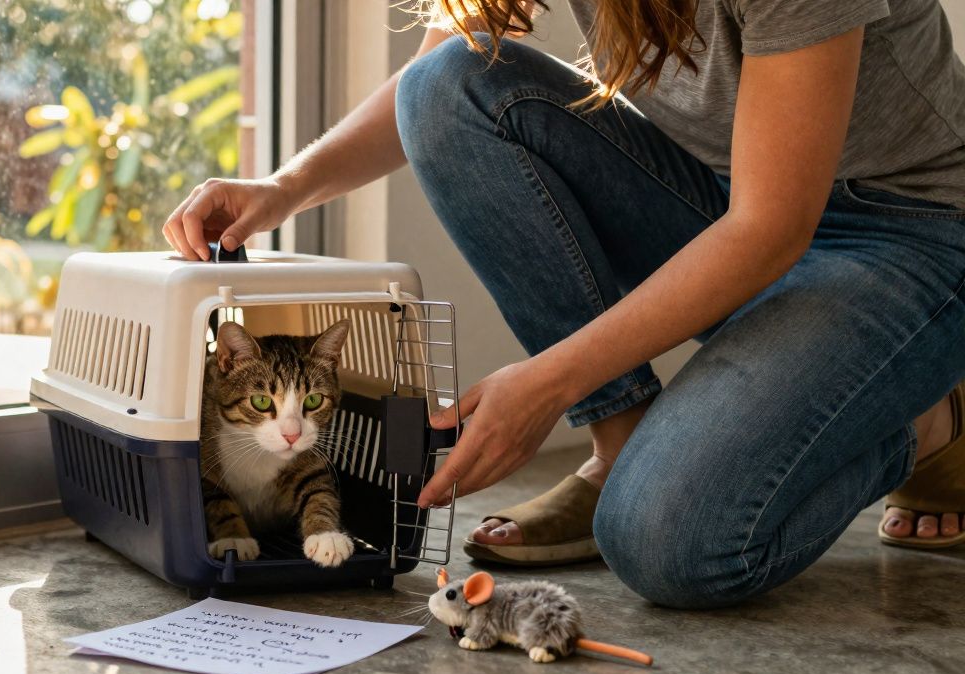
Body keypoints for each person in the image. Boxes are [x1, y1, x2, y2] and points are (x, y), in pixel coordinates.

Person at [162, 0, 965, 608]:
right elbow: (435, 86)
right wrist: (284, 188)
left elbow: (771, 230)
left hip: (909, 232)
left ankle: (927, 420)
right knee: (450, 85)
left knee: (670, 546)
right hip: (724, 198)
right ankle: (623, 443)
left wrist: (550, 382)